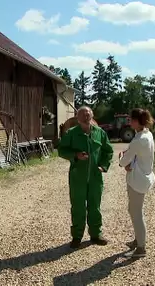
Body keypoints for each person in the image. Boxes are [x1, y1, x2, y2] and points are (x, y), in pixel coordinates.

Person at [58, 106, 114, 249]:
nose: (85, 116)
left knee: (95, 206)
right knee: (78, 207)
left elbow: (108, 151)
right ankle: (77, 237)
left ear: (92, 116)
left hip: (95, 177)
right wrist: (75, 156)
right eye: (82, 114)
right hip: (78, 176)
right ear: (78, 118)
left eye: (88, 114)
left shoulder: (100, 133)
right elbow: (62, 150)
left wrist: (103, 165)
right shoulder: (71, 133)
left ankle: (96, 234)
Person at [118, 108, 155, 258]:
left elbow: (123, 161)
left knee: (136, 213)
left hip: (137, 180)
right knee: (134, 210)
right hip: (143, 176)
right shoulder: (147, 134)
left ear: (136, 121)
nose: (129, 122)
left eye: (130, 119)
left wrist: (122, 158)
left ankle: (141, 247)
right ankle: (138, 240)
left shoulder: (138, 140)